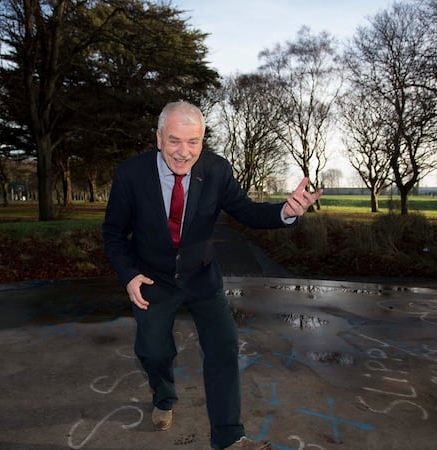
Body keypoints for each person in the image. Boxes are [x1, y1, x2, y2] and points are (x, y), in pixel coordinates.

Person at [102, 100, 322, 450]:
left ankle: (229, 437)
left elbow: (247, 212)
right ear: (158, 138)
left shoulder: (216, 170)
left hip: (201, 276)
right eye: (174, 141)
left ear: (203, 140)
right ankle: (163, 394)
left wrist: (285, 211)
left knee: (223, 346)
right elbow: (113, 233)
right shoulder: (131, 174)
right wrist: (129, 275)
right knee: (153, 352)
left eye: (193, 142)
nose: (183, 152)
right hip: (152, 278)